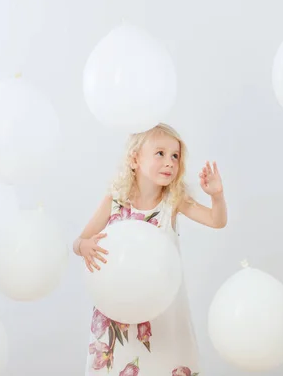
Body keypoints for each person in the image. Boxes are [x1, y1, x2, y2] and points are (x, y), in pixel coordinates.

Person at [73, 123, 227, 375]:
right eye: (160, 154)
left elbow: (216, 221)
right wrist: (85, 246)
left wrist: (217, 196)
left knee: (163, 364)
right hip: (117, 309)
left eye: (175, 156)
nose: (169, 162)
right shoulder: (115, 200)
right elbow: (79, 242)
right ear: (135, 159)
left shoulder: (173, 201)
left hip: (162, 311)